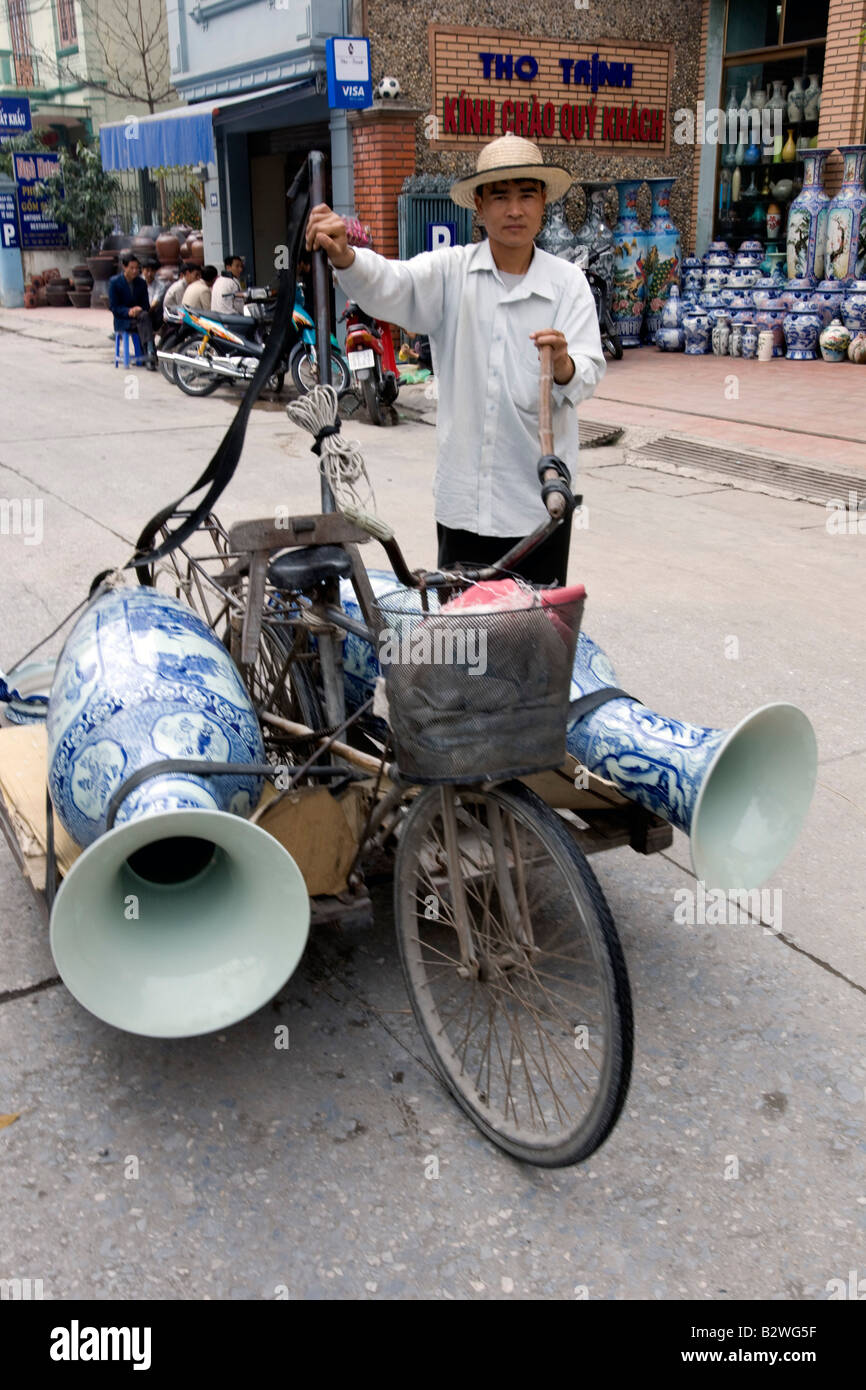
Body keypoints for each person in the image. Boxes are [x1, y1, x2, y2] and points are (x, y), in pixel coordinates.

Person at [305, 135, 605, 586]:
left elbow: (586, 372)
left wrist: (563, 365)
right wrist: (347, 258)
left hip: (539, 509)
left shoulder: (567, 284)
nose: (515, 210)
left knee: (533, 645)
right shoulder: (451, 273)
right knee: (463, 644)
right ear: (479, 207)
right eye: (500, 197)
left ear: (543, 202)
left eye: (526, 195)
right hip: (464, 506)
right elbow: (393, 283)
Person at [107, 252, 157, 370]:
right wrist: (128, 311)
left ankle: (148, 354)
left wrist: (138, 309)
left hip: (139, 317)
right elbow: (114, 307)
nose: (135, 271)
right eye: (132, 268)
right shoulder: (115, 282)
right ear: (124, 267)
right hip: (123, 320)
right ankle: (149, 353)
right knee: (145, 322)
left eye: (137, 268)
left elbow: (146, 305)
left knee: (144, 316)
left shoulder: (141, 283)